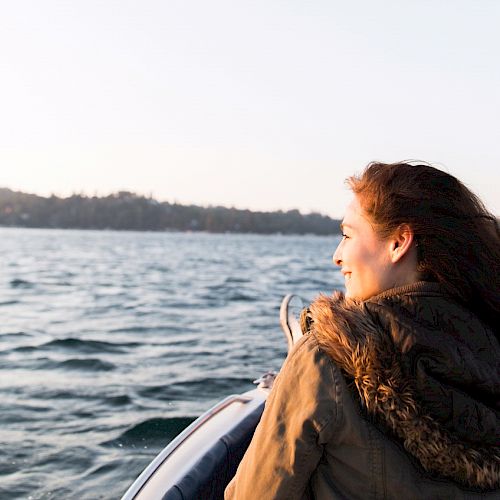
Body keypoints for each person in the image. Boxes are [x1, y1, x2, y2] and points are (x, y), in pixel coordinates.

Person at [225, 161, 500, 499]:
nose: (336, 256)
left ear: (399, 242)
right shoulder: (490, 347)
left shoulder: (325, 355)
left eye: (347, 235)